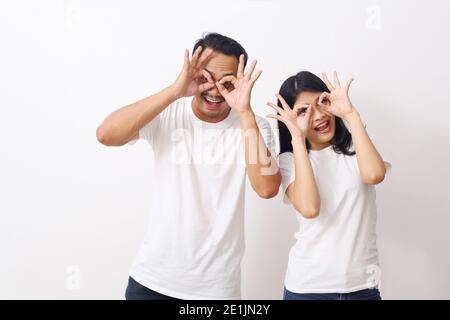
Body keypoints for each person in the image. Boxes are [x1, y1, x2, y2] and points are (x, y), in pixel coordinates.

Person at [96, 33, 281, 300]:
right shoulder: (168, 113)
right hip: (152, 281)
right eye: (205, 78)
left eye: (226, 81)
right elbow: (106, 135)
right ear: (191, 73)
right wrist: (175, 91)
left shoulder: (253, 125)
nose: (215, 90)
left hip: (216, 289)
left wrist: (245, 112)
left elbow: (266, 188)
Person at [267, 71, 389, 300]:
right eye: (303, 111)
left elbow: (374, 175)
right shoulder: (289, 160)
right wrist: (297, 138)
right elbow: (310, 208)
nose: (319, 115)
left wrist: (350, 115)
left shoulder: (356, 145)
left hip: (364, 286)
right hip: (308, 289)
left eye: (322, 102)